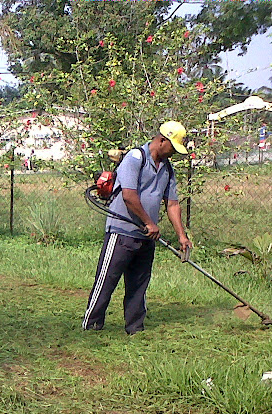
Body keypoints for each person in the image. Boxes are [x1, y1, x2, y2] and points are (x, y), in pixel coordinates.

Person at [82, 121, 193, 334]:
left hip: (147, 236)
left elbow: (172, 204)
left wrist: (181, 235)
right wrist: (149, 222)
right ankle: (92, 323)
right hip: (122, 231)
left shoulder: (167, 169)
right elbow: (129, 196)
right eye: (172, 148)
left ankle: (135, 327)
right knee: (107, 280)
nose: (173, 154)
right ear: (162, 141)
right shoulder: (135, 159)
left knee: (139, 284)